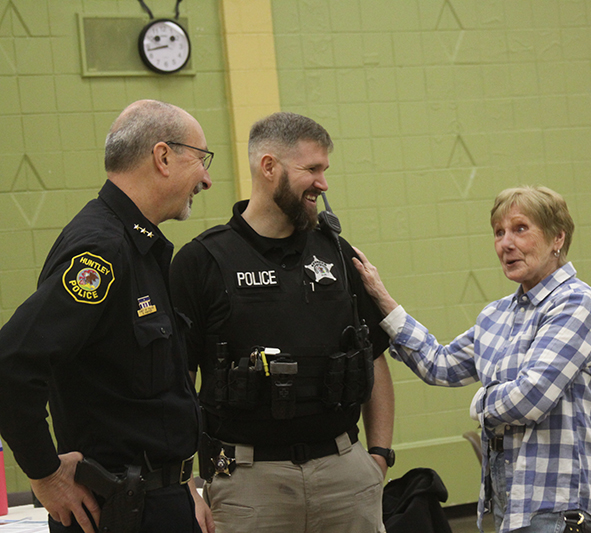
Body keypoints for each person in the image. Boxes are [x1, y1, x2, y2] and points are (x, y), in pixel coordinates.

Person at [170, 111, 395, 533]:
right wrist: (186, 484)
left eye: (324, 170)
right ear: (268, 167)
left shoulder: (339, 255)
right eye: (311, 169)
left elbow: (374, 358)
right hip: (247, 484)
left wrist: (379, 454)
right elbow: (177, 382)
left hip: (345, 474)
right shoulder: (201, 263)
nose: (323, 184)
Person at [0, 99, 214, 533]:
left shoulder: (140, 247)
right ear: (164, 157)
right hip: (120, 511)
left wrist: (183, 481)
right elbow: (12, 364)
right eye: (201, 160)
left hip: (159, 498)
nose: (206, 179)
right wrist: (44, 473)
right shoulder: (103, 249)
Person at [352, 186, 591, 533]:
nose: (506, 243)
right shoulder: (496, 315)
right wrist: (383, 301)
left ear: (557, 238)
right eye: (498, 232)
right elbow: (440, 364)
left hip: (558, 502)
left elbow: (532, 397)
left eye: (520, 229)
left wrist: (481, 401)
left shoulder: (575, 302)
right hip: (508, 498)